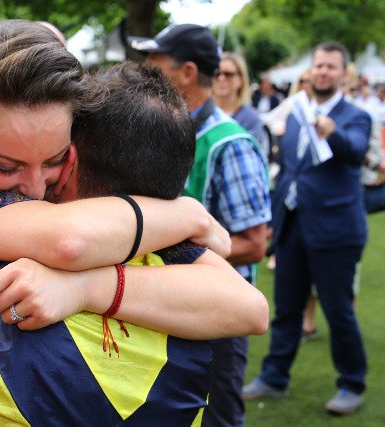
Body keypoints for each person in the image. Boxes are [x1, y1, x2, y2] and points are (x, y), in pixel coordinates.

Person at [0, 20, 268, 425]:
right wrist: (183, 213)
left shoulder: (104, 203)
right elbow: (69, 241)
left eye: (55, 159)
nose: (34, 188)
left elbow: (249, 307)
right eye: (6, 166)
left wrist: (87, 287)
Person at [132, 23, 271, 427]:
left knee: (216, 419)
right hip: (164, 305)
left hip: (218, 316)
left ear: (188, 72)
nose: (144, 68)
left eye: (155, 61)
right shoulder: (160, 132)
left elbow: (254, 244)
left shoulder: (230, 142)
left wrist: (170, 251)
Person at [242, 41, 370, 416]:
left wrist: (332, 132)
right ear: (310, 71)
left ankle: (352, 384)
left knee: (338, 312)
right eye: (318, 65)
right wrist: (273, 219)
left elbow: (355, 152)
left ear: (344, 73)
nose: (323, 72)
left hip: (335, 232)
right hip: (293, 227)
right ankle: (274, 377)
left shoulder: (355, 116)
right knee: (286, 310)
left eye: (331, 66)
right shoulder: (297, 112)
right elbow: (290, 172)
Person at [213, 52, 266, 148]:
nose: (221, 78)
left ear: (241, 79)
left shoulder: (251, 119)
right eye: (216, 73)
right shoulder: (202, 114)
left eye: (228, 74)